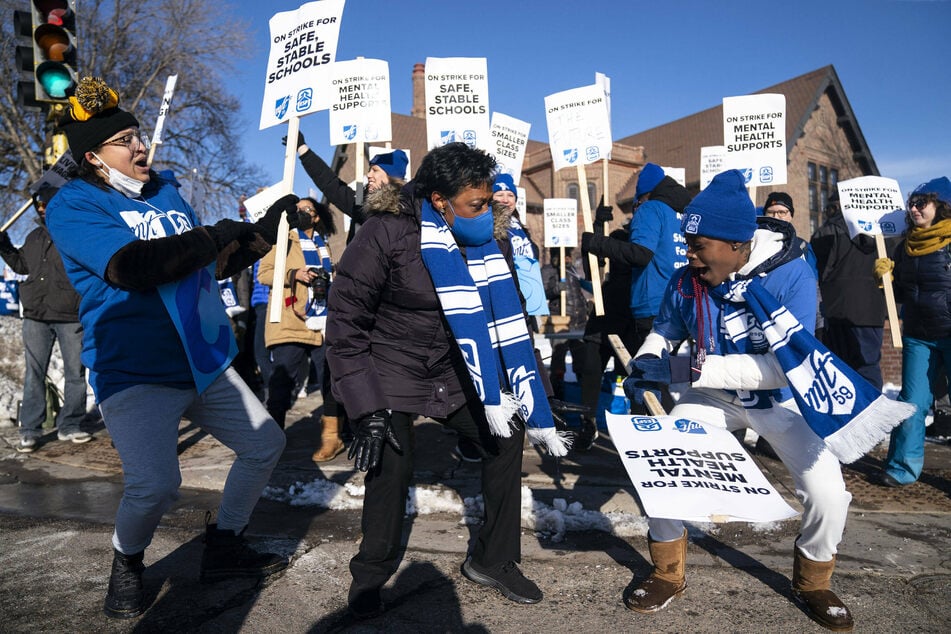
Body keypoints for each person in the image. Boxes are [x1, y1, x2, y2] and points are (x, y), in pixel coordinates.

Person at [44, 76, 295, 619]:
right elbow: (134, 267)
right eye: (125, 140)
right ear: (93, 156)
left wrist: (261, 234)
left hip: (202, 358)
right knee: (155, 485)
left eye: (139, 135)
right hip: (135, 367)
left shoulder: (165, 190)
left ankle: (225, 545)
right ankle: (127, 562)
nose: (141, 146)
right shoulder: (73, 206)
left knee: (264, 445)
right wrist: (211, 237)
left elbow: (204, 262)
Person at [326, 142, 567, 618]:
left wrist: (538, 393)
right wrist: (365, 407)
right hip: (391, 369)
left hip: (457, 373)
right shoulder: (387, 232)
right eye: (477, 203)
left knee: (505, 435)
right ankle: (372, 573)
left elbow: (510, 322)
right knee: (389, 461)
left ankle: (493, 559)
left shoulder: (489, 239)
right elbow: (346, 319)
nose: (488, 210)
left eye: (489, 199)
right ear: (439, 199)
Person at [622, 170, 854, 631]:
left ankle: (814, 579)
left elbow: (782, 367)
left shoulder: (792, 275)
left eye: (697, 246)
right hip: (714, 395)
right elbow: (667, 328)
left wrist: (684, 370)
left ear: (735, 244)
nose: (687, 256)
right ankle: (667, 569)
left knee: (830, 494)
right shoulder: (689, 277)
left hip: (785, 398)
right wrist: (648, 361)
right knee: (662, 462)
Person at [0, 186, 89, 452]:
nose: (40, 209)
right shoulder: (34, 236)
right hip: (36, 315)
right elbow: (20, 265)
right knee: (34, 374)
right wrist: (3, 245)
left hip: (69, 314)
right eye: (38, 206)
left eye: (44, 205)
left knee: (75, 373)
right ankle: (29, 430)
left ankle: (70, 425)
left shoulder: (74, 235)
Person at [876, 177, 951, 486]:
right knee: (912, 402)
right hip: (919, 335)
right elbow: (904, 295)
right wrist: (887, 278)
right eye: (912, 203)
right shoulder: (906, 247)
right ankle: (901, 468)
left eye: (922, 203)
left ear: (942, 207)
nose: (915, 208)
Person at [257, 197, 345, 459]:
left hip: (322, 321)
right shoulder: (282, 239)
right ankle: (271, 440)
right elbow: (264, 273)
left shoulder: (324, 245)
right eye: (297, 210)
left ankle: (332, 437)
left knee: (331, 377)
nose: (301, 213)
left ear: (317, 216)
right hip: (291, 317)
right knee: (282, 379)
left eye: (307, 209)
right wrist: (294, 273)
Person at [811, 191, 887, 390]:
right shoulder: (883, 231)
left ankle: (849, 417)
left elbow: (817, 271)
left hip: (837, 310)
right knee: (869, 368)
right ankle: (874, 414)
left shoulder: (828, 231)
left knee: (839, 370)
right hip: (873, 311)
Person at [290, 131, 408, 242]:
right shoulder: (360, 204)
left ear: (391, 177)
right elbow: (331, 184)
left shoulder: (408, 210)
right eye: (369, 170)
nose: (369, 175)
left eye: (375, 170)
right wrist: (302, 148)